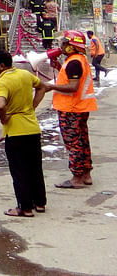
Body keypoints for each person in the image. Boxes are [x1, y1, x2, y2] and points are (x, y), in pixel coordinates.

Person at [0, 50, 48, 217]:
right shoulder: (25, 74)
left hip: (16, 133)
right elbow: (42, 87)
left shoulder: (3, 81)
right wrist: (32, 106)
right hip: (32, 129)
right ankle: (40, 203)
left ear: (2, 66)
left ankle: (25, 207)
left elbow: (0, 105)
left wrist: (4, 118)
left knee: (19, 170)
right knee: (35, 167)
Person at [47, 30, 97, 189]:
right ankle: (86, 174)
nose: (62, 46)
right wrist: (59, 66)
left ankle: (76, 177)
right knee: (82, 140)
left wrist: (49, 86)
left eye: (64, 43)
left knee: (73, 143)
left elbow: (73, 86)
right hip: (80, 107)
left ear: (72, 45)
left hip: (71, 108)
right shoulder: (77, 60)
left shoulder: (74, 62)